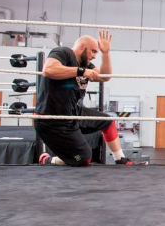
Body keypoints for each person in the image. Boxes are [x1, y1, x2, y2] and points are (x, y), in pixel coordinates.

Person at [36, 31, 137, 166]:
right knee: (82, 158)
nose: (94, 56)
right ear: (82, 47)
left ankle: (120, 159)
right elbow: (48, 70)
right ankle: (48, 160)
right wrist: (80, 71)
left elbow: (105, 77)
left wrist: (105, 53)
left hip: (73, 114)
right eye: (93, 51)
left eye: (96, 53)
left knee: (107, 121)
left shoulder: (86, 65)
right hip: (51, 120)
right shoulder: (63, 53)